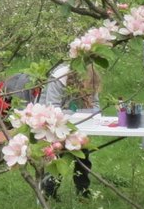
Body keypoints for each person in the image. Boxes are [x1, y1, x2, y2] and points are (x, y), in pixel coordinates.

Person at [37, 63, 101, 199]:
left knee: (83, 157)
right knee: (55, 157)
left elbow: (95, 105)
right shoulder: (59, 78)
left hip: (77, 124)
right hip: (51, 123)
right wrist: (66, 129)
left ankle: (83, 191)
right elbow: (52, 106)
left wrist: (94, 116)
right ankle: (48, 192)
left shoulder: (91, 78)